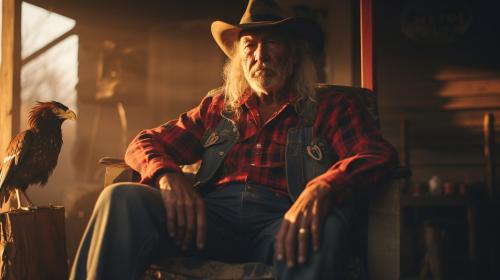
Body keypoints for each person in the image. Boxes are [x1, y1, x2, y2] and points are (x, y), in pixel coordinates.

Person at [70, 0, 398, 279]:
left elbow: (375, 154)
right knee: (121, 198)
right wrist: (167, 176)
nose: (260, 56)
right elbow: (144, 142)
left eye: (271, 43)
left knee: (322, 230)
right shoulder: (218, 108)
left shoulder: (331, 107)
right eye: (250, 46)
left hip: (281, 223)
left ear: (295, 54)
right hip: (210, 220)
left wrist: (324, 186)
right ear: (240, 59)